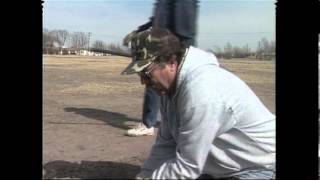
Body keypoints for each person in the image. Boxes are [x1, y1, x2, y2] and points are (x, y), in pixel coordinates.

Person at [121, 28, 276, 179]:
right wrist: (146, 174)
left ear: (172, 63)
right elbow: (166, 144)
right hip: (222, 167)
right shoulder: (168, 91)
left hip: (259, 166)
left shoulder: (201, 93)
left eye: (146, 73)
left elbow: (188, 166)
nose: (143, 82)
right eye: (140, 75)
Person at [122, 0, 198, 136]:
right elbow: (156, 19)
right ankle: (154, 122)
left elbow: (184, 18)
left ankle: (154, 123)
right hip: (163, 41)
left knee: (158, 79)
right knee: (152, 80)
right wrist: (139, 31)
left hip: (173, 44)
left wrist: (176, 45)